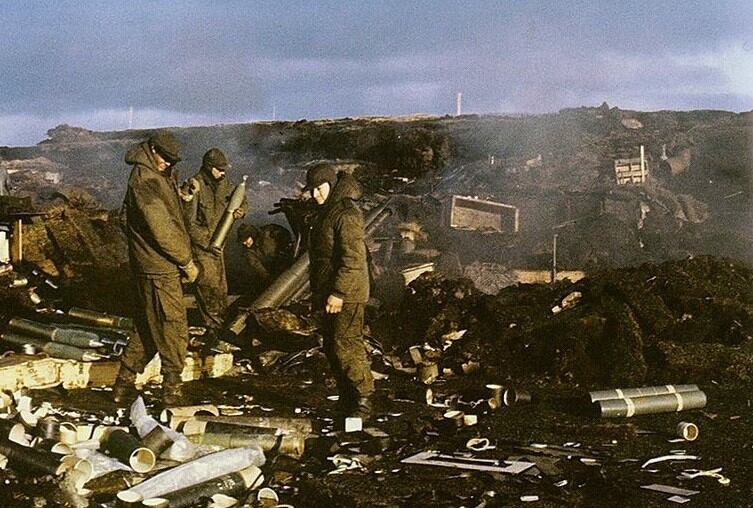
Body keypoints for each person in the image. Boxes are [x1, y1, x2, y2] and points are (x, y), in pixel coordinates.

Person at [114, 131, 198, 405]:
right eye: (164, 158)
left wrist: (182, 194)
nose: (167, 163)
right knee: (173, 325)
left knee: (148, 326)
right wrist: (186, 261)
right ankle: (172, 388)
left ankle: (123, 383)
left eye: (171, 160)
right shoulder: (145, 179)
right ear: (151, 150)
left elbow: (158, 211)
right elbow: (161, 228)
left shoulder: (154, 175)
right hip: (159, 267)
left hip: (149, 265)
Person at [305, 163, 374, 419]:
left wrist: (339, 293)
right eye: (311, 190)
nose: (315, 195)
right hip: (329, 290)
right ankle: (347, 398)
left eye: (319, 189)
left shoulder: (346, 213)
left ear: (331, 185)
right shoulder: (327, 210)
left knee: (347, 344)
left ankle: (364, 400)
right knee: (333, 347)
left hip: (348, 292)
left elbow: (353, 259)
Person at [180, 148, 246, 350]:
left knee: (221, 289)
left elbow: (240, 200)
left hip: (219, 245)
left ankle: (217, 330)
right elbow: (188, 222)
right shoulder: (195, 185)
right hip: (202, 246)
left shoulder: (225, 184)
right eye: (219, 169)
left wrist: (241, 212)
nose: (223, 173)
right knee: (208, 287)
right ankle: (213, 330)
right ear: (209, 168)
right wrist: (207, 243)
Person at [237, 223, 293, 296]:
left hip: (287, 259)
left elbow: (285, 235)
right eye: (243, 241)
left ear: (252, 235)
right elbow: (256, 265)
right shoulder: (248, 251)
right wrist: (269, 278)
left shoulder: (267, 233)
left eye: (246, 239)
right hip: (273, 269)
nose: (244, 243)